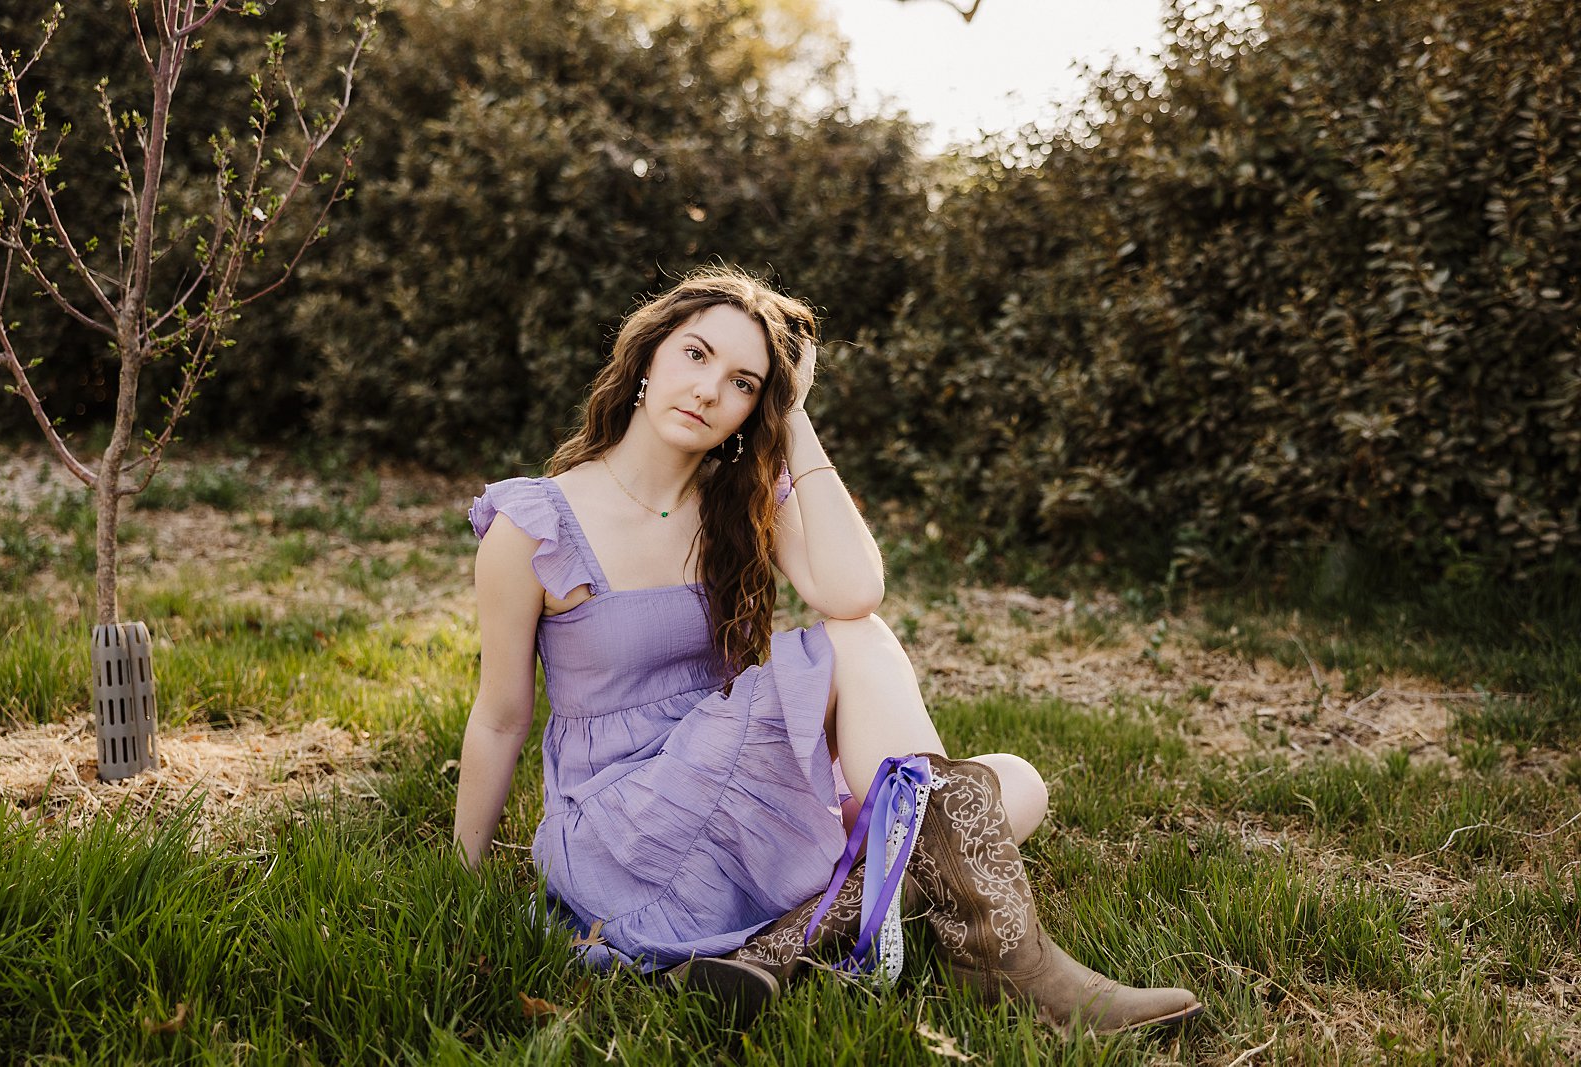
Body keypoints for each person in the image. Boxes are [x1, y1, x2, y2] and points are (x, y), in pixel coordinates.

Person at [452, 268, 1201, 1034]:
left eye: (744, 382)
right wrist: (463, 877)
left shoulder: (735, 499)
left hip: (735, 797)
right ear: (648, 357)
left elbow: (853, 587)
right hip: (626, 835)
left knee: (1018, 783)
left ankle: (778, 948)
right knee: (862, 660)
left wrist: (797, 418)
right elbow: (501, 717)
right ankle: (1015, 967)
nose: (711, 389)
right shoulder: (535, 523)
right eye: (696, 355)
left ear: (756, 407)